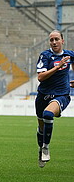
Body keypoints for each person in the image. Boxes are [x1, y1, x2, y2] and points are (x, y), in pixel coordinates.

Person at [35, 30, 74, 168]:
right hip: (43, 95)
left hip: (61, 94)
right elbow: (40, 77)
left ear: (62, 41)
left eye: (56, 39)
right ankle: (41, 148)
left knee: (48, 114)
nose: (54, 42)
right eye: (51, 40)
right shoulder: (45, 56)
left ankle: (46, 147)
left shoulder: (69, 55)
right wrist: (57, 67)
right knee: (41, 126)